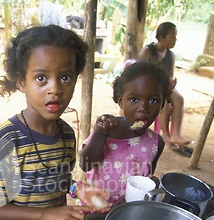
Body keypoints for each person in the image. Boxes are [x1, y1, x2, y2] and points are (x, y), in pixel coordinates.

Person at [0, 25, 108, 220]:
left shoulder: (65, 133)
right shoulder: (7, 139)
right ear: (21, 82)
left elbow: (56, 178)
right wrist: (45, 215)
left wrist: (76, 188)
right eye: (41, 78)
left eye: (65, 77)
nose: (55, 89)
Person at [79, 62, 171, 205]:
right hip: (95, 208)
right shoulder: (107, 129)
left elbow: (146, 175)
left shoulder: (156, 142)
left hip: (128, 212)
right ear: (121, 101)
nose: (143, 108)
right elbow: (85, 165)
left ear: (162, 105)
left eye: (153, 100)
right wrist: (100, 134)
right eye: (134, 99)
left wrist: (152, 181)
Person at [138, 22, 193, 157]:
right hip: (147, 87)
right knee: (165, 104)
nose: (175, 40)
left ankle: (176, 135)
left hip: (163, 87)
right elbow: (137, 72)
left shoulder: (170, 55)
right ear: (161, 38)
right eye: (172, 37)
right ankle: (166, 137)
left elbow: (170, 75)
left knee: (178, 98)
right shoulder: (147, 51)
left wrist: (171, 81)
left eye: (175, 37)